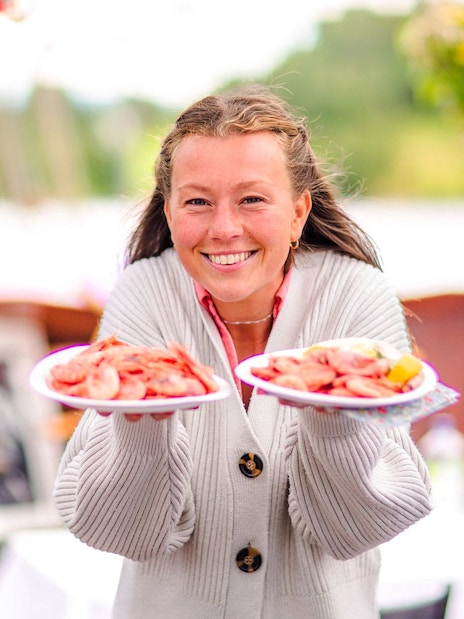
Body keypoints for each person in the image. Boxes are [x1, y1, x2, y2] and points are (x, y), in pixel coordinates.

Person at [53, 85, 432, 618]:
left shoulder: (355, 293)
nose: (224, 228)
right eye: (197, 202)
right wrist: (140, 420)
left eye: (252, 199)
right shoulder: (143, 292)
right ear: (169, 209)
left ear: (299, 211)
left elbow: (359, 530)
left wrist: (334, 422)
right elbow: (119, 531)